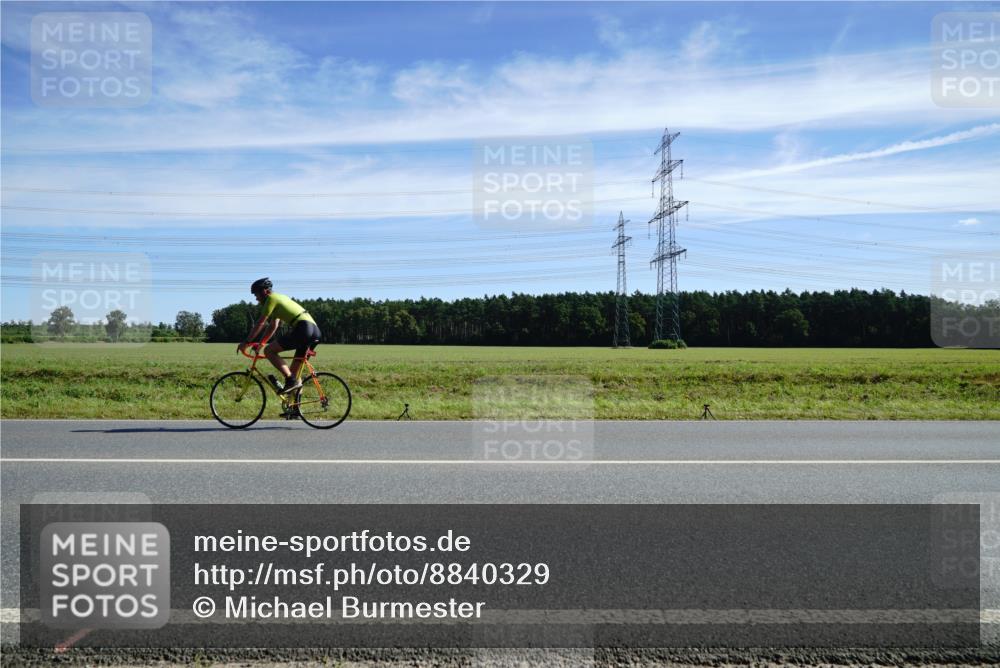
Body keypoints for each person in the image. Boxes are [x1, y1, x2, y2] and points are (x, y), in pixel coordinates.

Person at [238, 278, 321, 394]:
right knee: (294, 374)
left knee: (269, 351)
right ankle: (295, 403)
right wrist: (261, 343)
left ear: (265, 292)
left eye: (256, 295)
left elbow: (261, 323)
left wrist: (246, 342)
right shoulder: (279, 298)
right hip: (315, 331)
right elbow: (273, 325)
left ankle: (290, 380)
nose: (256, 298)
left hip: (303, 329)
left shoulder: (271, 299)